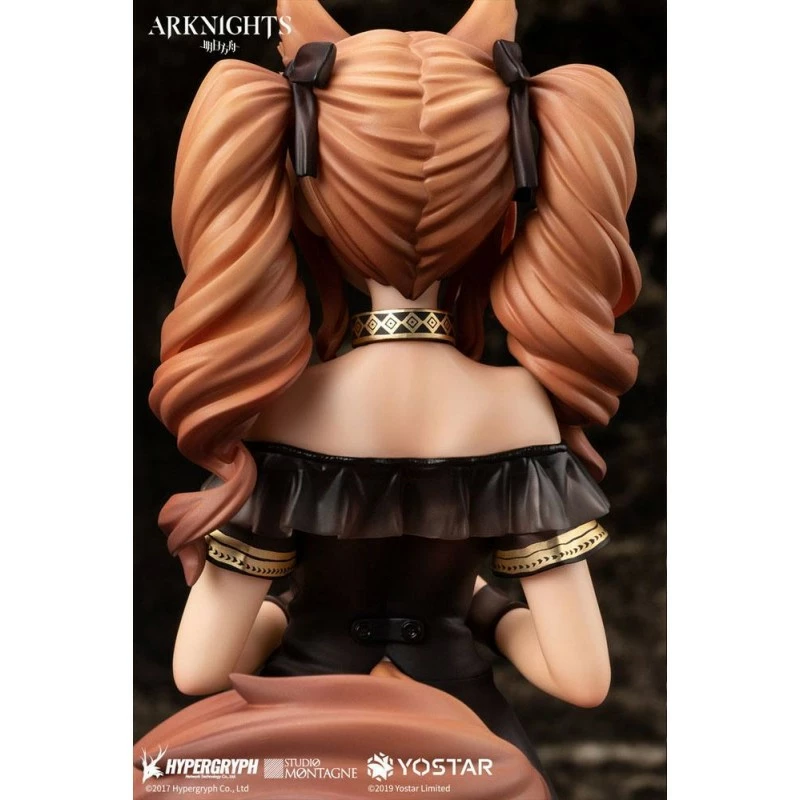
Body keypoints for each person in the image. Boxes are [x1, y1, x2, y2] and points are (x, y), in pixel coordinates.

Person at [139, 1, 640, 797]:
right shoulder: (518, 406)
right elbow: (580, 679)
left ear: (310, 198)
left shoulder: (282, 405)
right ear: (502, 198)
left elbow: (199, 668)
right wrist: (476, 607)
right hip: (459, 760)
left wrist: (287, 612)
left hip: (303, 756)